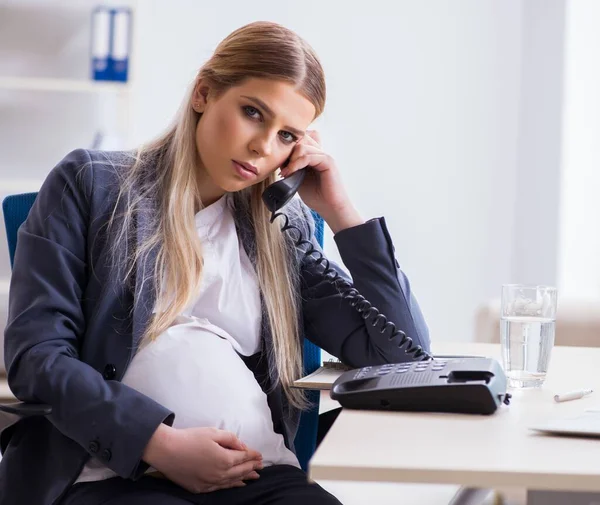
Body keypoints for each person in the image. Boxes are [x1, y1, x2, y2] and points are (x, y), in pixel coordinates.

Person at [0, 21, 430, 505]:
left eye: (286, 135)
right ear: (204, 92)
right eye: (253, 113)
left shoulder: (281, 231)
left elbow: (403, 357)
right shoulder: (92, 184)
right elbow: (36, 358)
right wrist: (156, 444)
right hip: (118, 477)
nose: (264, 147)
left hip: (262, 478)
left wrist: (340, 213)